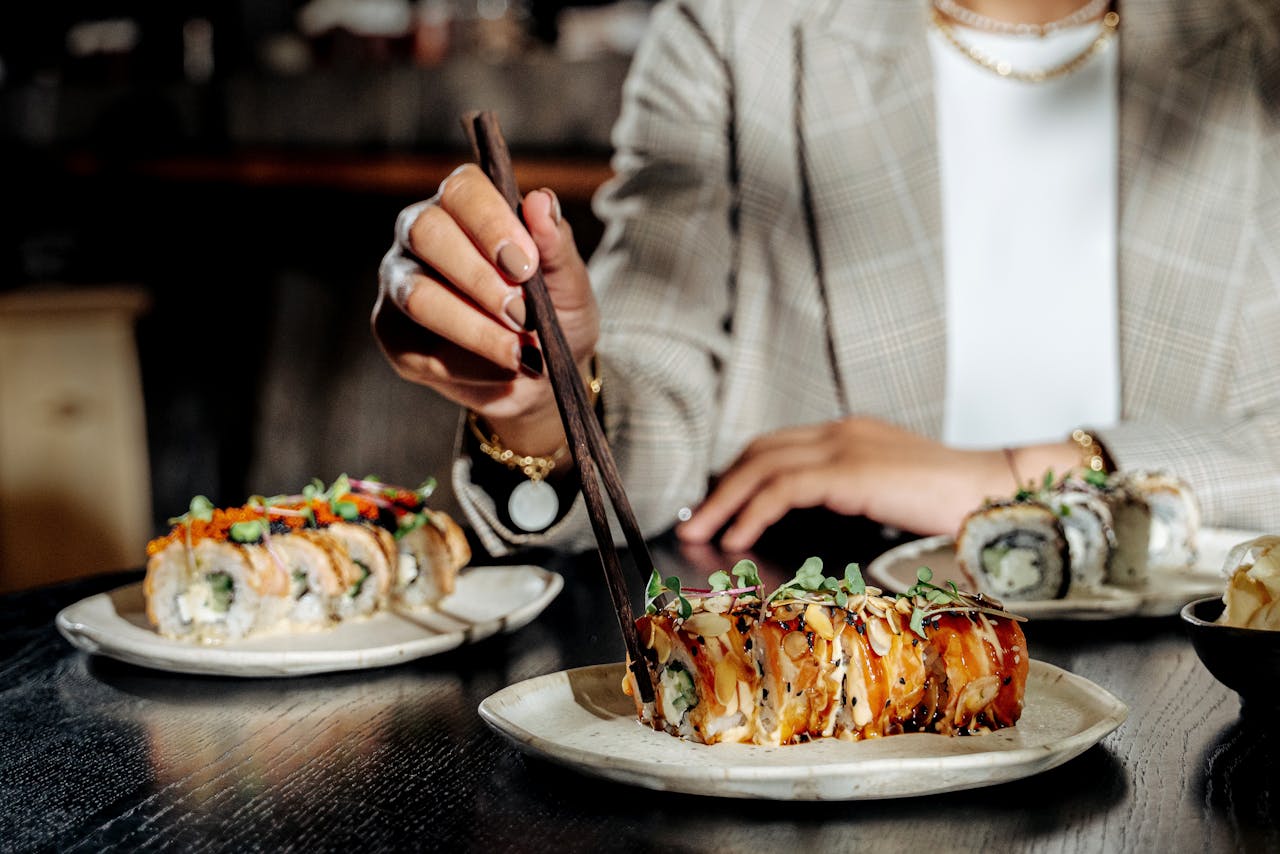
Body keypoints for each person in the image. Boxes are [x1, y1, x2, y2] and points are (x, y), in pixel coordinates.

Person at [373, 0, 1280, 559]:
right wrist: (546, 406)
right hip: (829, 706)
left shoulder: (1257, 46)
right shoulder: (737, 31)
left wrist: (1009, 479)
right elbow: (658, 400)